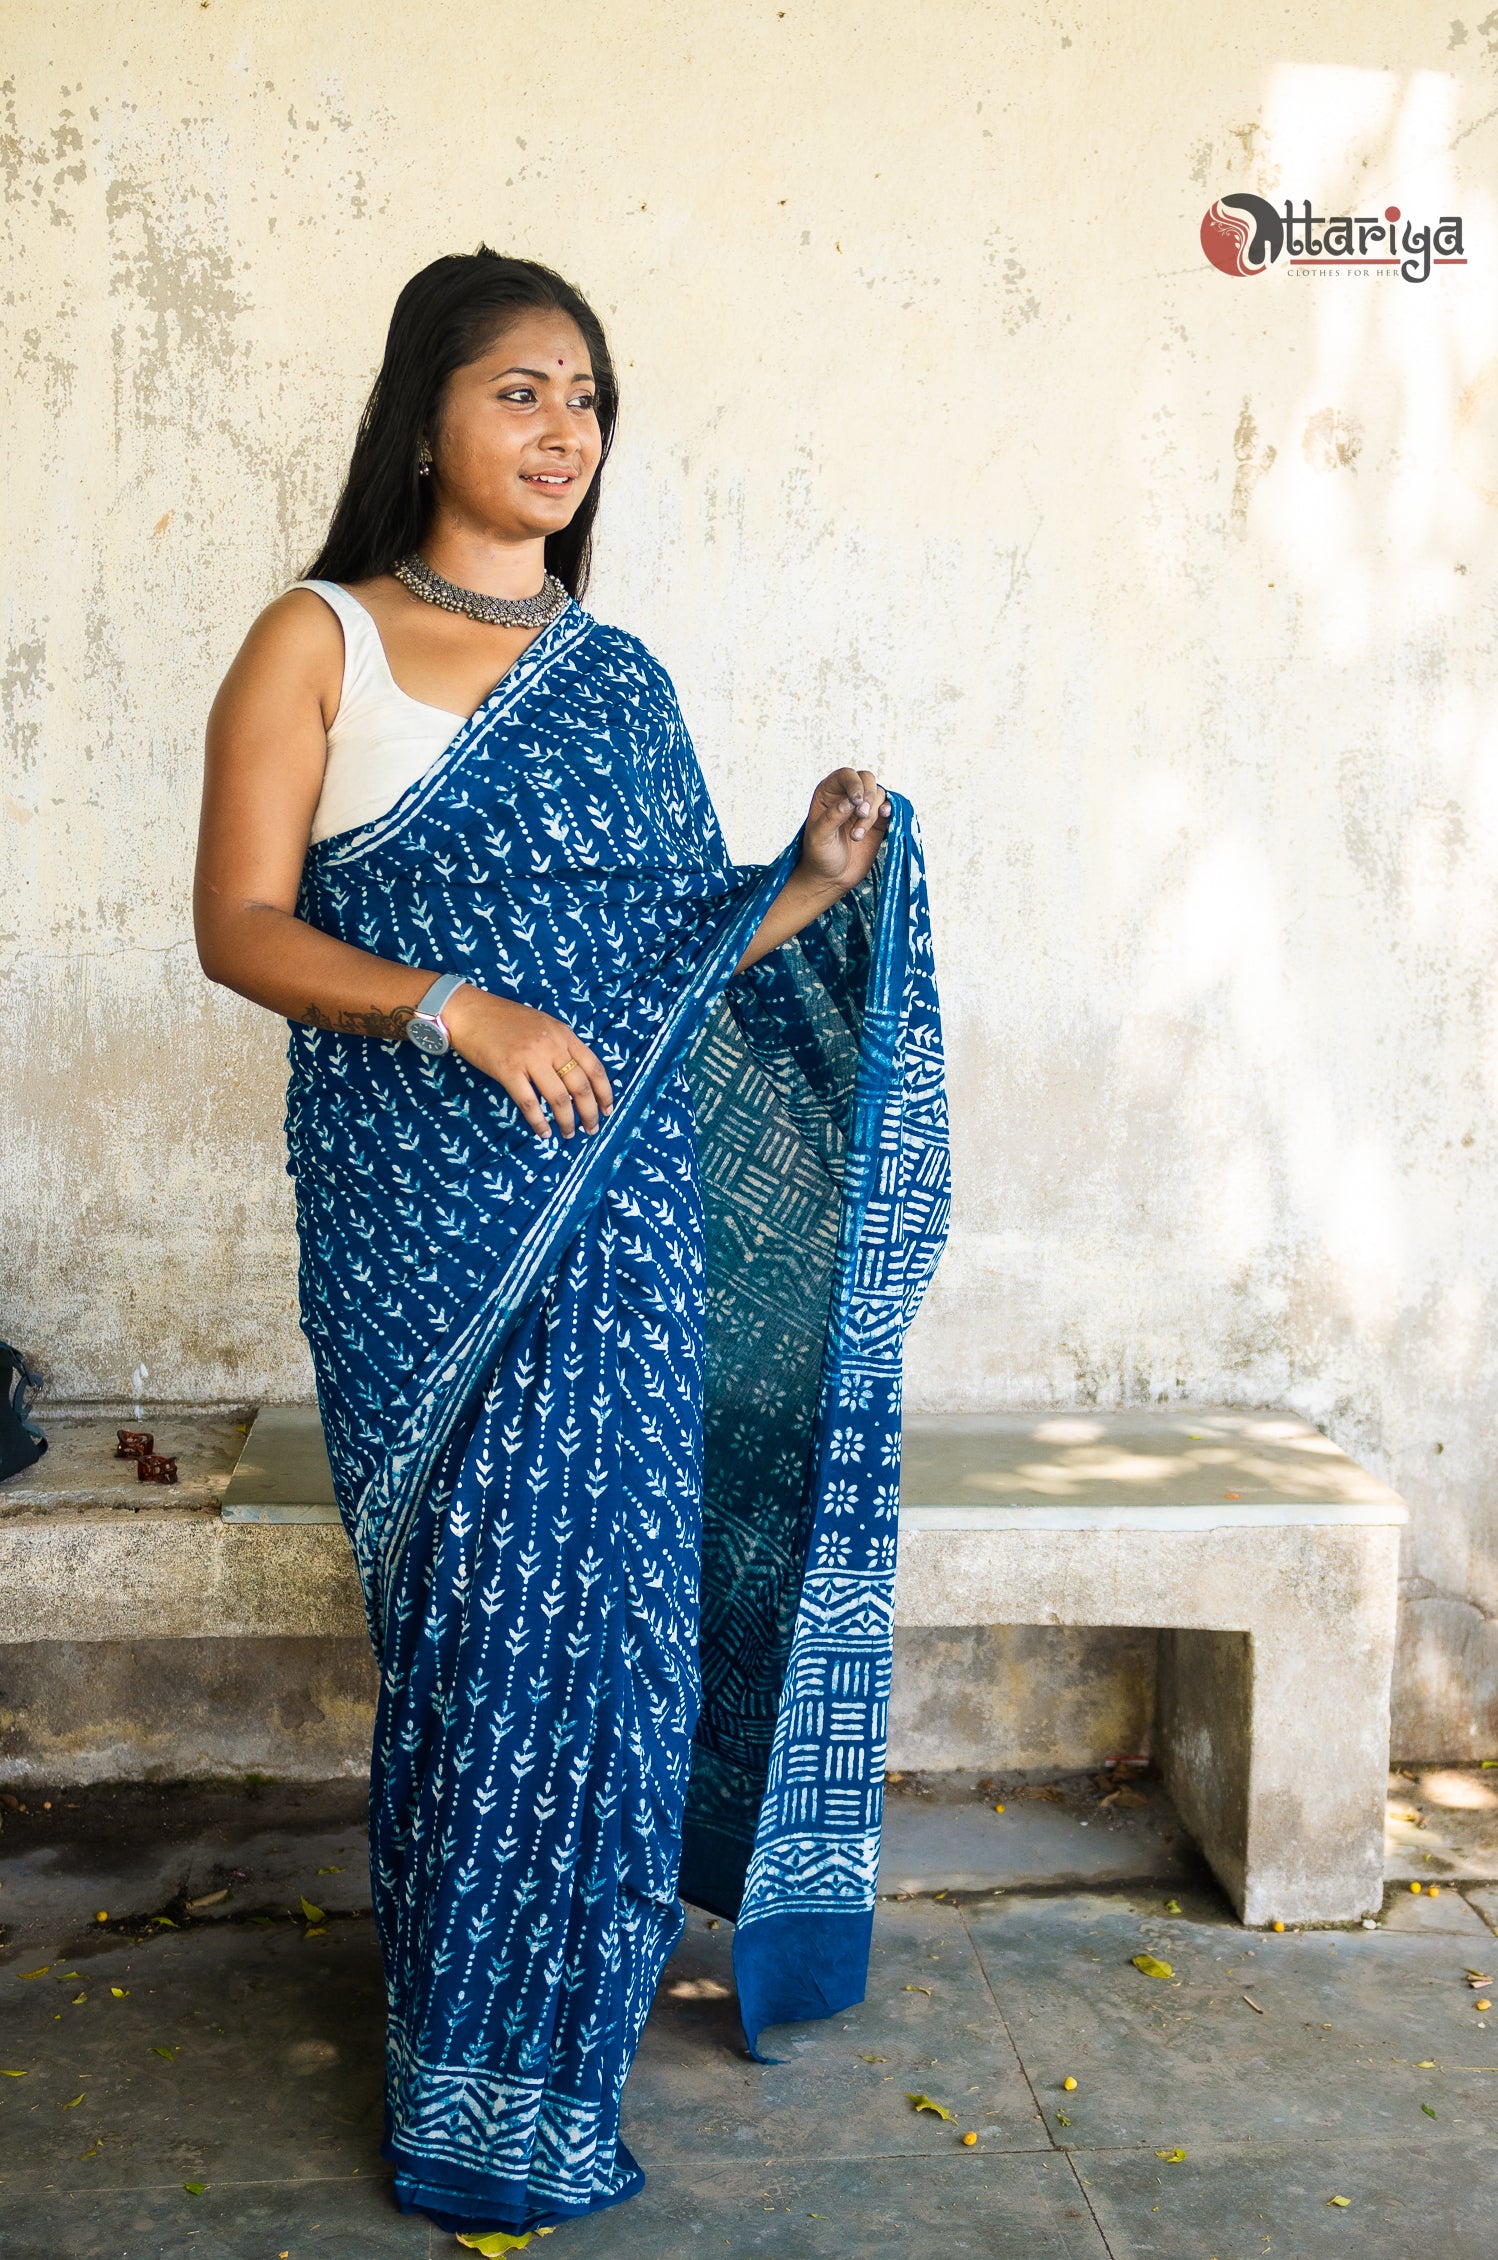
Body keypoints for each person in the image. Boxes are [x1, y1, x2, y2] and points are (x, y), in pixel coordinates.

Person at [195, 248, 949, 2252]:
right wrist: (450, 1004)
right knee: (478, 1647)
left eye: (587, 401)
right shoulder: (316, 635)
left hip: (620, 1238)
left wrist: (799, 880)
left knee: (610, 1648)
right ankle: (465, 2064)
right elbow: (242, 926)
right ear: (425, 411)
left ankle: (562, 2057)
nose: (559, 432)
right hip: (426, 1244)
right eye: (521, 390)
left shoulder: (614, 679)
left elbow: (661, 977)